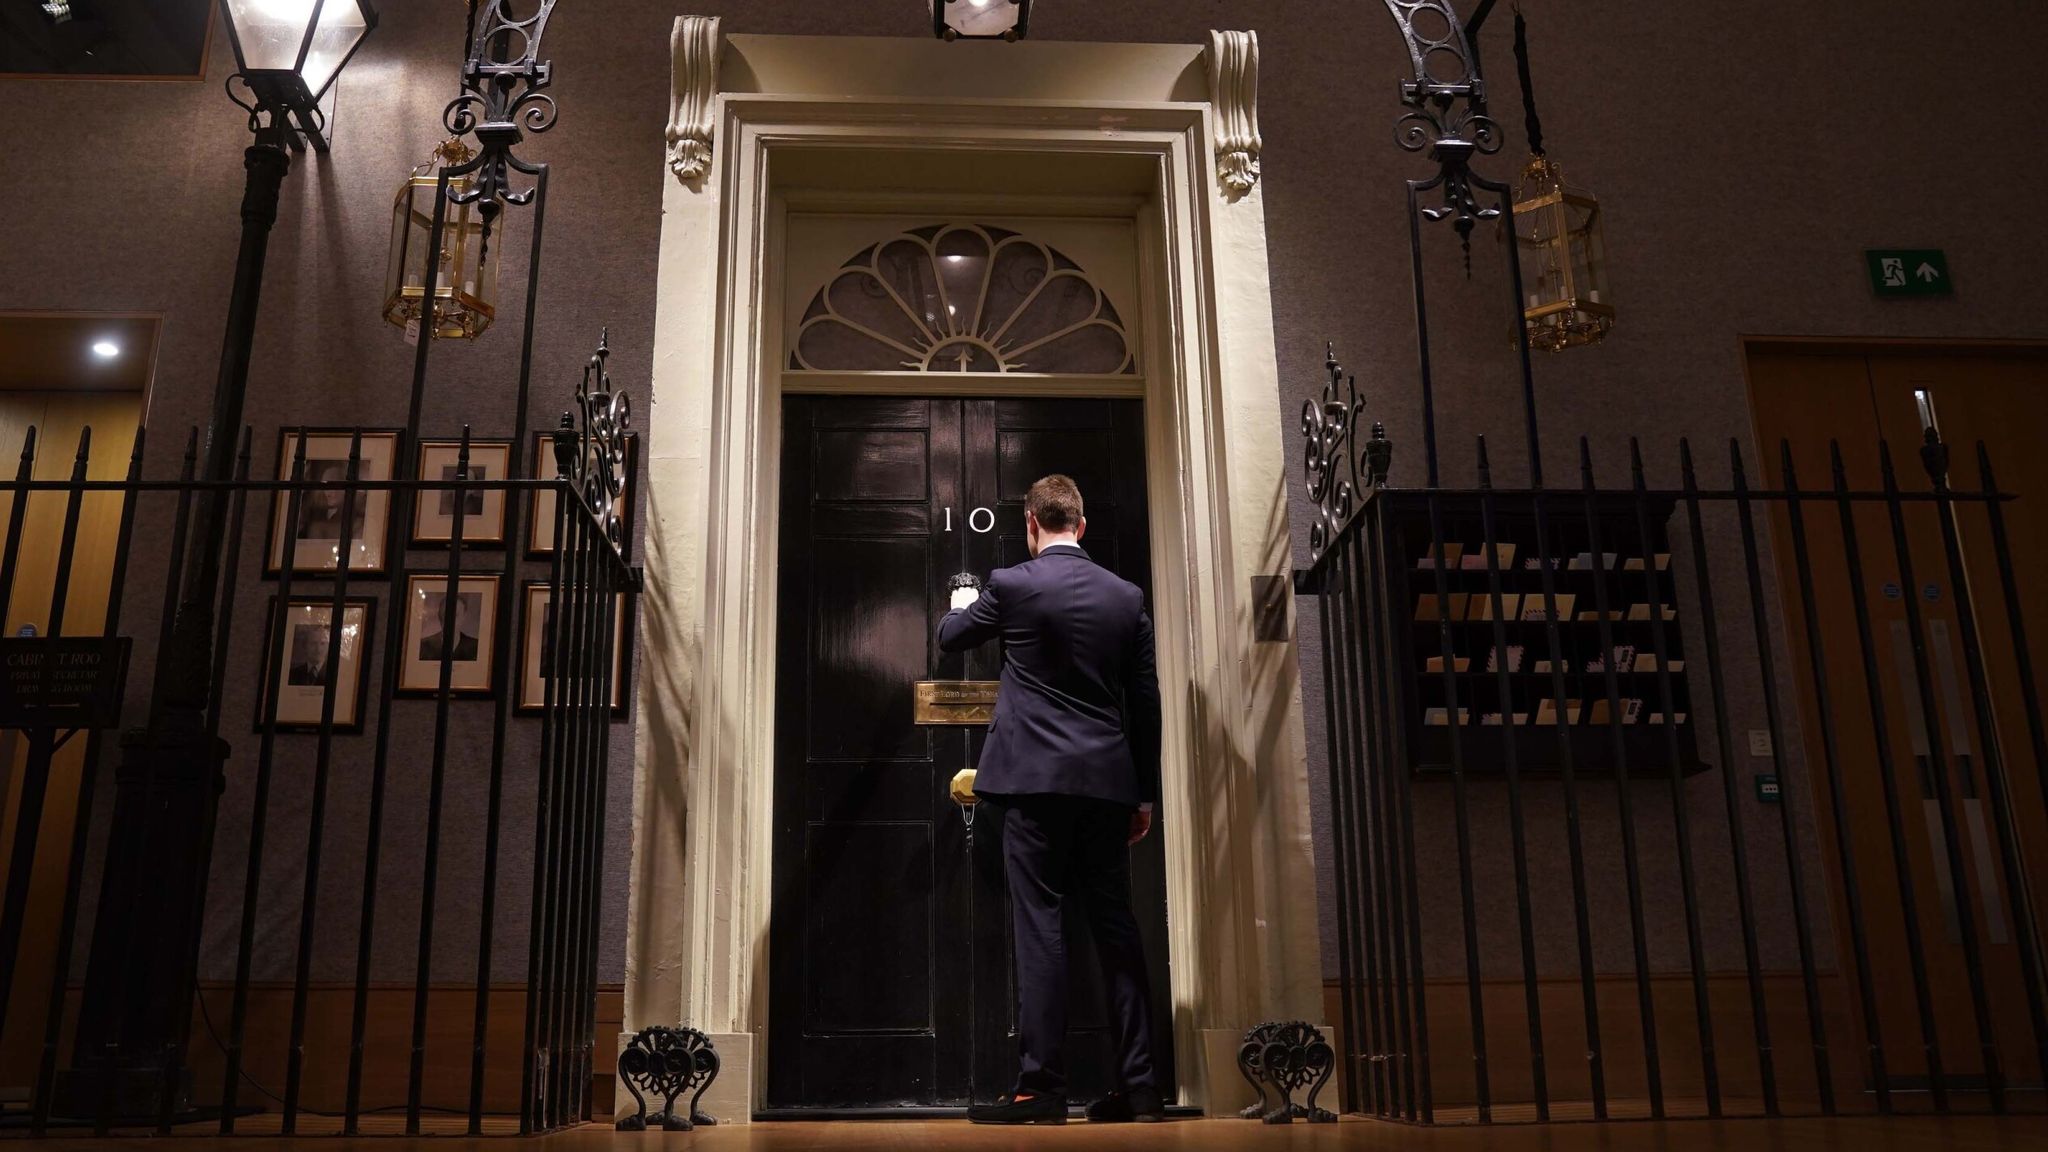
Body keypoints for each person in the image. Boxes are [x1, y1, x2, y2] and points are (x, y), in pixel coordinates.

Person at [938, 474, 1164, 1126]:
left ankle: (1041, 1090)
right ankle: (1141, 1088)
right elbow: (1143, 705)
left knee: (1042, 931)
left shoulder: (1011, 585)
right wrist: (1142, 797)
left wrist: (963, 598)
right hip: (1106, 789)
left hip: (1033, 787)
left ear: (1032, 524)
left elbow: (952, 638)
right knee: (1116, 931)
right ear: (1081, 525)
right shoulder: (1126, 598)